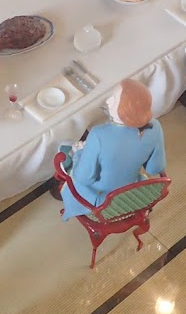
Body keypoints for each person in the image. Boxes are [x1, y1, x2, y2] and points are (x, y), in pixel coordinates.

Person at [58, 79, 167, 219]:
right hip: (131, 192)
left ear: (125, 109)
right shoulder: (155, 126)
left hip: (101, 198)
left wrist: (78, 153)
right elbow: (154, 168)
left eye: (114, 99)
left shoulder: (99, 134)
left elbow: (84, 178)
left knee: (64, 149)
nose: (108, 101)